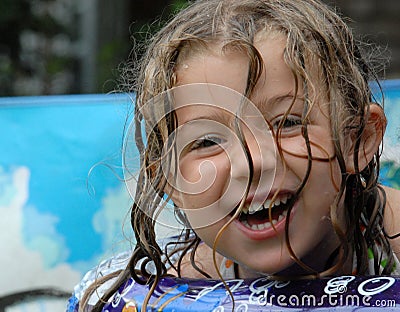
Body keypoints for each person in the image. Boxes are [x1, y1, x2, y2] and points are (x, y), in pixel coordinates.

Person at [74, 0, 400, 311]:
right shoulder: (159, 292)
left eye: (287, 123)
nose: (253, 163)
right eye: (206, 141)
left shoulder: (393, 237)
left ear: (358, 139)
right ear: (168, 178)